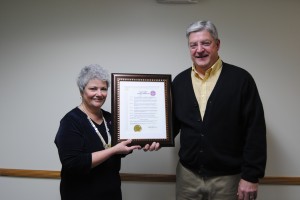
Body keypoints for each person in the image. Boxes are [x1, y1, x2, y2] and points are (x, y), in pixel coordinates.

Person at [172, 20, 267, 200]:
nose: (199, 49)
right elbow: (171, 124)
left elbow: (255, 130)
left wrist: (251, 176)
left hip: (228, 178)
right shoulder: (179, 82)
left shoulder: (241, 80)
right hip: (187, 177)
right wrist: (151, 138)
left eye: (205, 43)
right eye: (193, 45)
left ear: (217, 44)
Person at [54, 64, 158, 200]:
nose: (99, 94)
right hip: (79, 194)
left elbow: (123, 146)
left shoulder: (111, 118)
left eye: (103, 89)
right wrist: (113, 150)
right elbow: (74, 163)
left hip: (111, 193)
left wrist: (147, 142)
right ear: (81, 91)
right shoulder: (70, 121)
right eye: (93, 88)